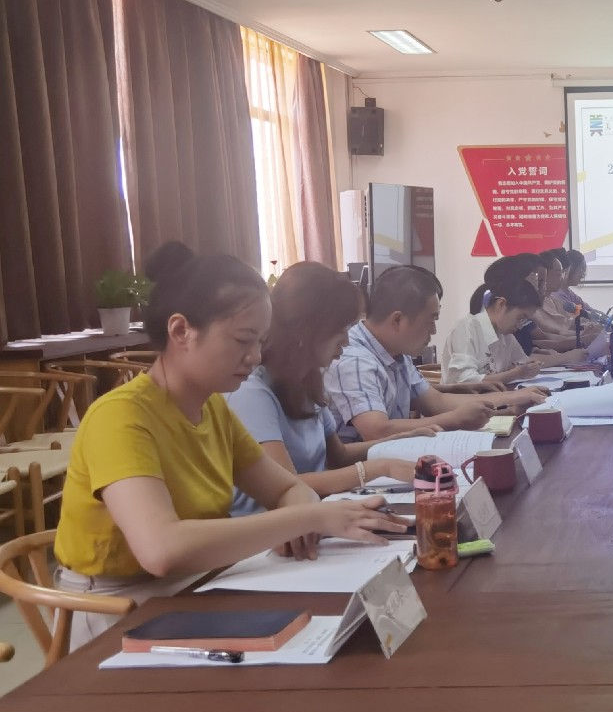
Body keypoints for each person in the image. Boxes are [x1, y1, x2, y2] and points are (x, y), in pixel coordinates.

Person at [53, 244, 404, 648]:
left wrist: (301, 513)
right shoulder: (120, 418)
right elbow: (160, 549)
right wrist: (307, 518)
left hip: (199, 584)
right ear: (181, 331)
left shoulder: (213, 408)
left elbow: (288, 488)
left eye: (260, 341)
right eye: (242, 340)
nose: (254, 356)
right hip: (119, 607)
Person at [227, 262, 431, 515]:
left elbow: (339, 456)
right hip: (271, 528)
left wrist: (398, 441)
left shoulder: (307, 380)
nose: (346, 341)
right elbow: (286, 485)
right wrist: (379, 468)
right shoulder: (251, 392)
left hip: (316, 515)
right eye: (340, 330)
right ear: (307, 331)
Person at [325, 265, 542, 443]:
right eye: (431, 320)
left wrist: (512, 400)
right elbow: (377, 431)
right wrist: (454, 419)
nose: (434, 331)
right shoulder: (356, 360)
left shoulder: (396, 353)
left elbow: (437, 401)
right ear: (397, 320)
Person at [444, 275, 548, 385]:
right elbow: (465, 381)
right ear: (501, 304)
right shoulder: (466, 328)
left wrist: (530, 366)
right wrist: (516, 373)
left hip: (496, 394)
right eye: (521, 318)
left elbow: (521, 362)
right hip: (466, 396)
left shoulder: (506, 335)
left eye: (525, 321)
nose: (520, 326)